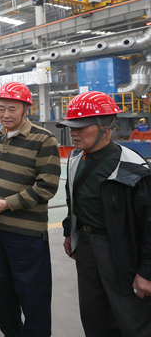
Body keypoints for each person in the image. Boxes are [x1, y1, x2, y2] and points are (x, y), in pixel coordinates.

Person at [59, 91, 151, 337]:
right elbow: (73, 199)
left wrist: (147, 271)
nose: (73, 133)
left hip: (121, 249)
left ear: (106, 128)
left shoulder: (132, 167)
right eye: (71, 127)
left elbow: (149, 224)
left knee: (129, 316)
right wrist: (70, 232)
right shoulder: (76, 158)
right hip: (87, 247)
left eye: (81, 127)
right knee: (93, 312)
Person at [0, 82, 61, 337]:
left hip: (26, 233)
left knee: (33, 294)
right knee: (0, 290)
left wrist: (7, 204)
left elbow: (47, 186)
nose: (5, 114)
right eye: (1, 108)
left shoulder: (43, 139)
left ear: (26, 109)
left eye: (12, 109)